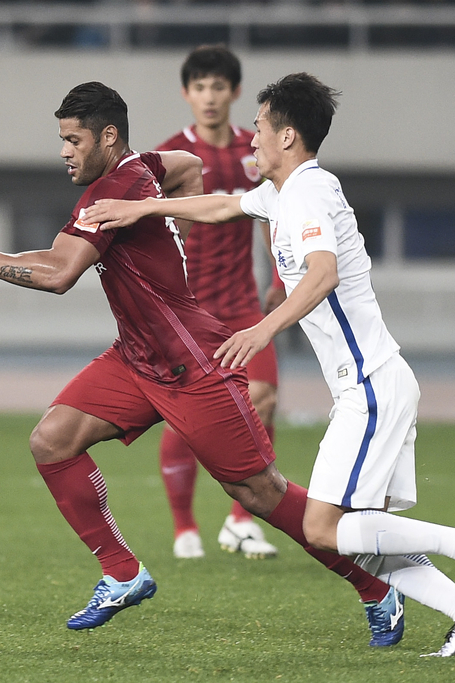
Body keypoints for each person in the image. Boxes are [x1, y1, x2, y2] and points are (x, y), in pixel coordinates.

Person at [0, 81, 406, 647]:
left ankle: (376, 588)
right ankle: (122, 573)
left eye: (74, 140)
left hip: (190, 364)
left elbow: (57, 273)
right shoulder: (143, 164)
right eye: (62, 140)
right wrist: (169, 236)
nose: (65, 151)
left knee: (258, 492)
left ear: (108, 136)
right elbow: (189, 166)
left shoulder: (111, 192)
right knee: (52, 440)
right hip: (136, 356)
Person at [82, 73, 455, 657]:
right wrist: (145, 208)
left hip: (371, 386)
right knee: (358, 536)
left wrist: (260, 330)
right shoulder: (284, 191)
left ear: (287, 136)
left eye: (257, 128)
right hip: (367, 387)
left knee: (323, 529)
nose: (250, 139)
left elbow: (323, 272)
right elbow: (223, 205)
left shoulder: (306, 192)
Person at [155, 44, 283, 561]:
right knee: (185, 419)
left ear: (233, 92)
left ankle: (239, 520)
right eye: (199, 87)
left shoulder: (257, 151)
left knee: (265, 397)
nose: (209, 97)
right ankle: (185, 526)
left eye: (218, 87)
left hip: (243, 305)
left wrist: (280, 273)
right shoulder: (170, 155)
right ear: (187, 94)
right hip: (185, 311)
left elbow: (278, 214)